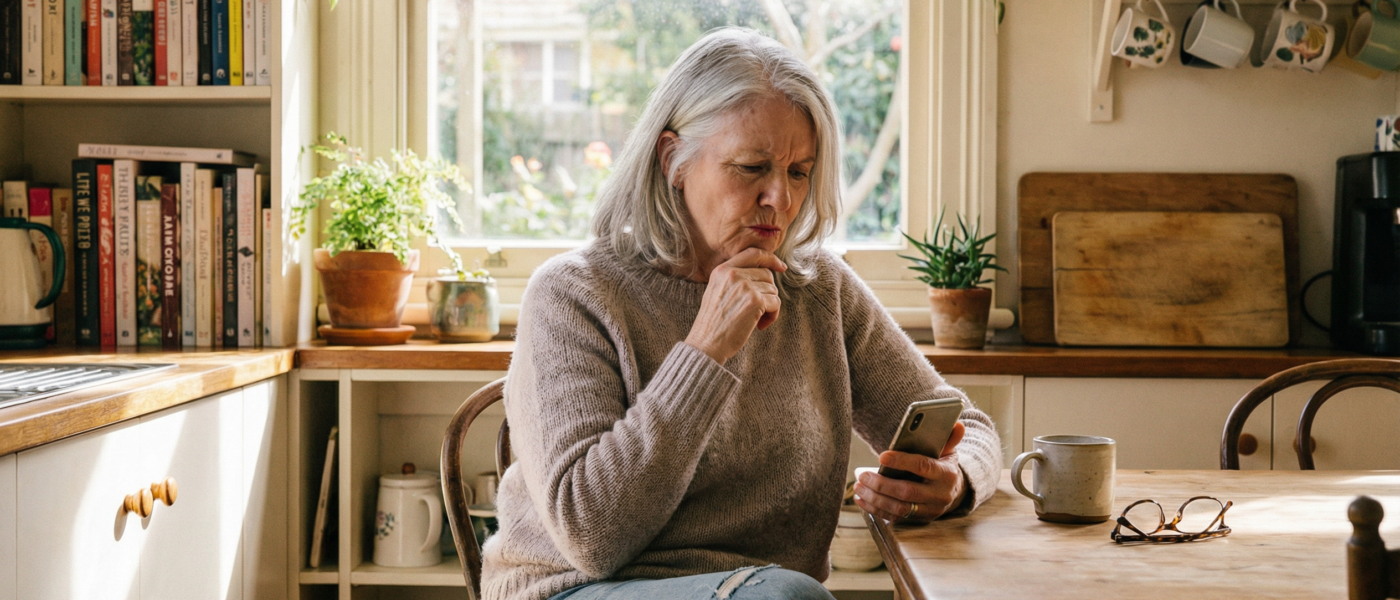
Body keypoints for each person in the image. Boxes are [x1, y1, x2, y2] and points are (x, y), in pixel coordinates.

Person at [481, 27, 1002, 600]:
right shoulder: (573, 294)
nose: (780, 198)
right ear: (673, 158)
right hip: (580, 588)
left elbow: (968, 429)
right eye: (752, 167)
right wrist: (704, 352)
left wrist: (954, 483)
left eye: (799, 172)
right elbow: (592, 537)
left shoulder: (817, 288)